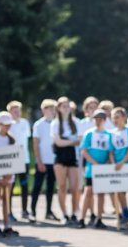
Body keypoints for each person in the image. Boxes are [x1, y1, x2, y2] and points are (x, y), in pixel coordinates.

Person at [77, 109, 111, 229]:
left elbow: (110, 152)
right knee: (88, 192)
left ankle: (99, 218)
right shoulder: (89, 134)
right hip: (92, 168)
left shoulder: (109, 135)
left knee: (101, 193)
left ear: (104, 120)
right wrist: (95, 163)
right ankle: (81, 218)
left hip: (103, 169)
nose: (98, 121)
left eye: (100, 119)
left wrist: (107, 164)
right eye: (96, 119)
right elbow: (84, 151)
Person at [52, 96, 82, 226]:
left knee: (75, 187)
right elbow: (57, 142)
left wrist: (66, 142)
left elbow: (80, 139)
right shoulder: (55, 123)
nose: (66, 108)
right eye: (63, 106)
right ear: (58, 108)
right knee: (62, 186)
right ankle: (64, 214)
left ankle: (75, 213)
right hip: (60, 157)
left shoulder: (76, 122)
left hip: (73, 157)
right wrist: (72, 142)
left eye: (67, 106)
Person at [0, 112, 20, 238]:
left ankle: (7, 226)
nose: (8, 127)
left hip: (8, 175)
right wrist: (1, 176)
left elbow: (13, 157)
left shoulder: (11, 138)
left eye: (9, 125)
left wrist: (8, 175)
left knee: (6, 200)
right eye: (5, 125)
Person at [30, 99, 58, 223]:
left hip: (55, 161)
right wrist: (39, 161)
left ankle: (48, 211)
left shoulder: (57, 123)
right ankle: (33, 211)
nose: (53, 111)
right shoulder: (38, 124)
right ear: (44, 110)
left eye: (54, 108)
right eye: (50, 108)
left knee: (51, 187)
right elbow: (36, 144)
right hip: (42, 161)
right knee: (37, 186)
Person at [110, 107, 128, 227]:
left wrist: (122, 162)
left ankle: (126, 214)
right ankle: (125, 214)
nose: (115, 120)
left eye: (117, 117)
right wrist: (113, 163)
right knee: (119, 191)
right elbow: (111, 151)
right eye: (113, 118)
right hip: (117, 166)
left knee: (122, 191)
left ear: (123, 118)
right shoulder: (112, 133)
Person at [7, 101, 32, 220]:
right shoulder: (7, 125)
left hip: (24, 159)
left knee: (24, 185)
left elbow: (26, 139)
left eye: (18, 110)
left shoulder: (25, 123)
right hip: (12, 159)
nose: (17, 113)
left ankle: (24, 210)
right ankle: (9, 212)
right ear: (10, 112)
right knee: (10, 186)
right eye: (14, 111)